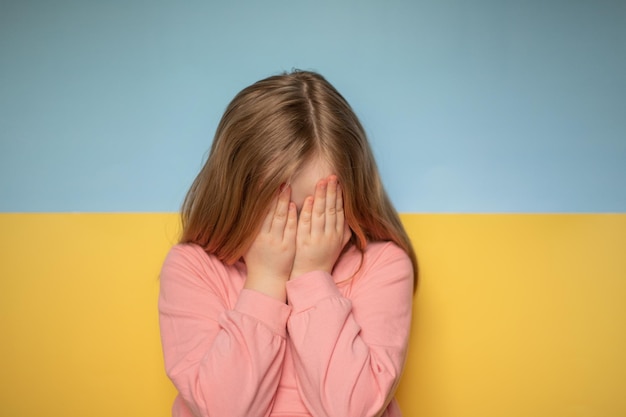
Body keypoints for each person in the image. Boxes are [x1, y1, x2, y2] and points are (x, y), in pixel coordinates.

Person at [158, 70, 418, 417]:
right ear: (237, 197)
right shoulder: (192, 269)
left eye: (318, 209)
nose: (295, 231)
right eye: (279, 210)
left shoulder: (383, 267)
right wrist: (265, 279)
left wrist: (312, 277)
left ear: (351, 197)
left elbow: (353, 410)